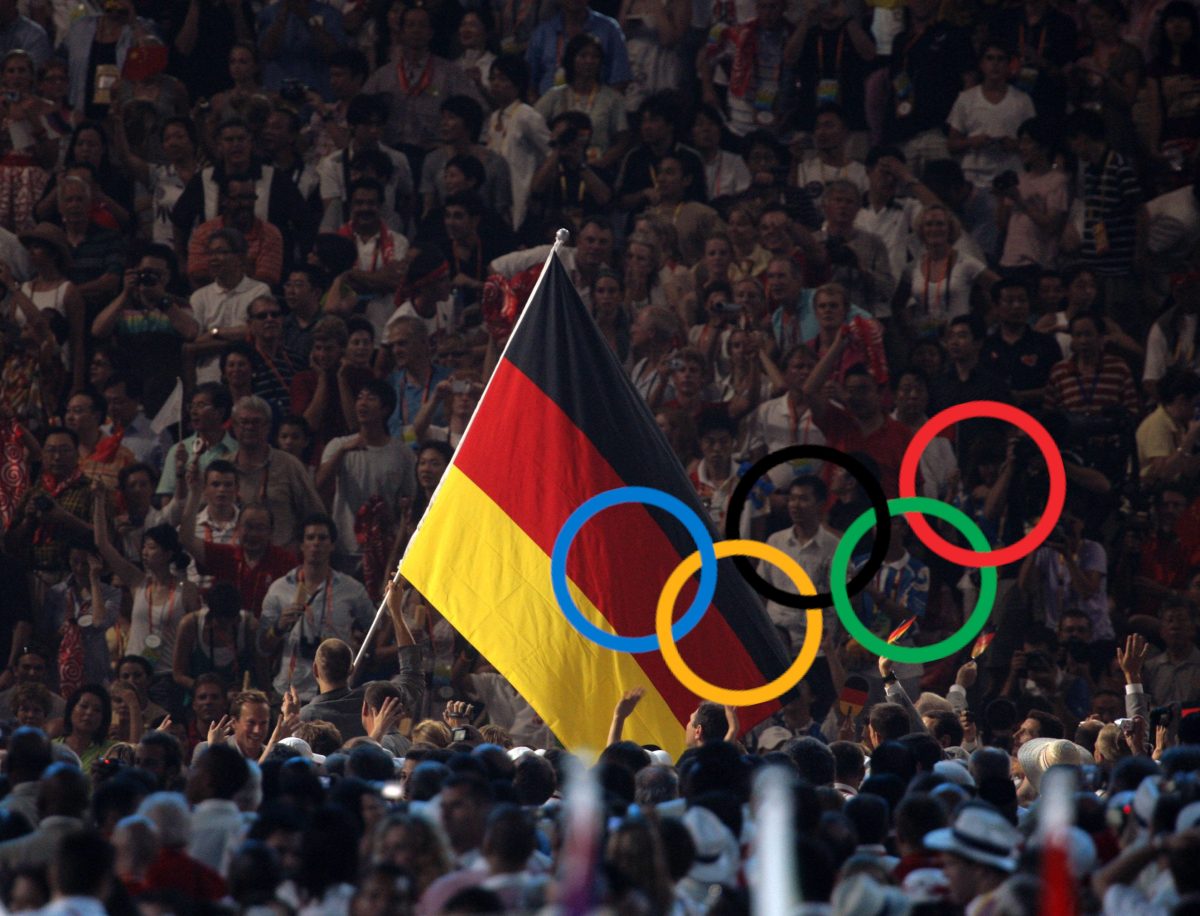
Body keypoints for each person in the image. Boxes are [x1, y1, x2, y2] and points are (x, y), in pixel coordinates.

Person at [258, 514, 375, 702]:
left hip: (336, 693)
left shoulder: (352, 590)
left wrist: (360, 661)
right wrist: (278, 628)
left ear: (332, 545)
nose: (316, 543)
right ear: (301, 545)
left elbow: (374, 630)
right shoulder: (279, 589)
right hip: (289, 691)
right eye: (310, 538)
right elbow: (262, 647)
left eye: (322, 538)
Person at [316, 379, 415, 579]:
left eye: (371, 398)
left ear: (385, 409)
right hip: (345, 546)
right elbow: (319, 484)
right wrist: (342, 452)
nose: (362, 403)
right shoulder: (338, 446)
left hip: (385, 548)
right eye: (360, 398)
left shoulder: (402, 453)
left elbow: (408, 499)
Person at [228, 395, 324, 548]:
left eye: (256, 422)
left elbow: (316, 517)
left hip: (282, 557)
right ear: (234, 426)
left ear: (268, 426)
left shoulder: (289, 465)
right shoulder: (223, 466)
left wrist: (297, 550)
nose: (250, 427)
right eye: (244, 422)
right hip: (232, 555)